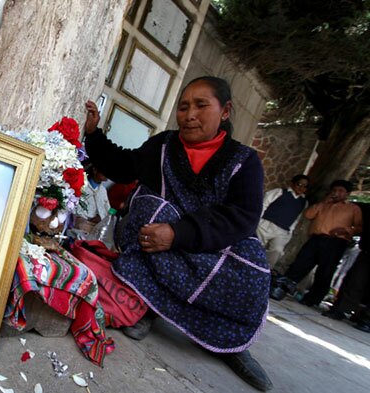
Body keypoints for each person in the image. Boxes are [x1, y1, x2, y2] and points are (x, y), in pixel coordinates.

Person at [83, 76, 273, 391]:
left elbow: (242, 218)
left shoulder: (244, 161)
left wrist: (179, 233)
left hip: (208, 244)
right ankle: (147, 306)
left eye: (201, 105)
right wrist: (94, 136)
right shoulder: (163, 146)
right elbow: (124, 165)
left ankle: (227, 342)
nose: (189, 115)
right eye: (183, 107)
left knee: (255, 266)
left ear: (224, 111)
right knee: (147, 206)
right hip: (159, 241)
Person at [270, 180, 362, 306]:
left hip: (336, 242)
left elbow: (358, 227)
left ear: (347, 194)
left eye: (340, 191)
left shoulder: (353, 209)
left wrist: (346, 230)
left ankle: (313, 299)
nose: (336, 193)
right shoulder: (324, 204)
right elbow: (308, 215)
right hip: (316, 239)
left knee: (325, 271)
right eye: (334, 190)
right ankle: (281, 289)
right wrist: (324, 202)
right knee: (300, 264)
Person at [322, 202, 370, 331]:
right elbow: (356, 207)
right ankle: (340, 310)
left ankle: (367, 319)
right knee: (355, 281)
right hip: (367, 253)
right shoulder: (364, 208)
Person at [257, 174, 309, 268]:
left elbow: (297, 218)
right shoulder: (279, 192)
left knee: (277, 250)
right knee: (256, 246)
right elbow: (264, 204)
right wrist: (258, 220)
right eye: (299, 184)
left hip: (282, 230)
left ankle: (265, 271)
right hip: (265, 225)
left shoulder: (304, 202)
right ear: (293, 183)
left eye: (305, 186)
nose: (301, 188)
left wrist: (290, 231)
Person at [73, 159, 111, 236]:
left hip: (97, 226)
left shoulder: (103, 190)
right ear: (95, 170)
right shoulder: (82, 186)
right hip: (81, 222)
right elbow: (74, 207)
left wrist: (100, 217)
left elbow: (108, 211)